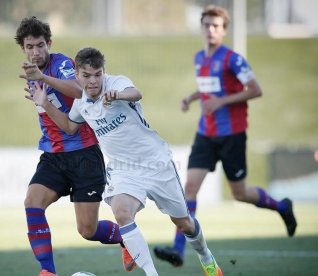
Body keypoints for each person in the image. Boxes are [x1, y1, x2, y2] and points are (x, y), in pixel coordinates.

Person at [25, 46, 223, 276]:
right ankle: (151, 274)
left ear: (103, 72)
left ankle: (206, 257)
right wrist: (46, 104)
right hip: (124, 170)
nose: (93, 81)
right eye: (86, 76)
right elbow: (69, 127)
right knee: (121, 212)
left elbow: (135, 93)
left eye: (97, 74)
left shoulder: (116, 84)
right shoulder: (81, 103)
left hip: (156, 164)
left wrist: (118, 95)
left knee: (184, 223)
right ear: (77, 75)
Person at [153, 5, 298, 268]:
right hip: (205, 134)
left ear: (224, 30)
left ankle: (282, 207)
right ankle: (178, 250)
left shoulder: (233, 59)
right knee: (189, 188)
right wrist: (192, 97)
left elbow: (255, 90)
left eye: (216, 26)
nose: (211, 30)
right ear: (202, 27)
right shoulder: (200, 58)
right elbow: (208, 87)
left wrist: (221, 103)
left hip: (232, 135)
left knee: (240, 193)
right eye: (207, 25)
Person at [15, 17, 134, 276]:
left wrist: (44, 78)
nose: (35, 52)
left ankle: (127, 240)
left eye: (39, 45)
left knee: (87, 231)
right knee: (32, 201)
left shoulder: (61, 65)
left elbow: (79, 90)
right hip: (53, 155)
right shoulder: (33, 75)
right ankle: (48, 271)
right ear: (23, 48)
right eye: (29, 46)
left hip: (84, 155)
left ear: (49, 43)